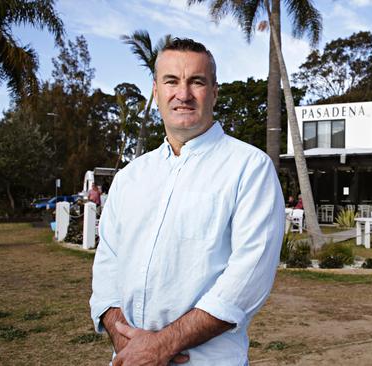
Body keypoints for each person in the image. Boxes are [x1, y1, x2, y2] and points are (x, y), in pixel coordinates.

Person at [90, 38, 285, 365]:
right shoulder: (130, 177)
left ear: (214, 91)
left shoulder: (250, 169)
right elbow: (107, 264)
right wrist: (127, 340)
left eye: (196, 81)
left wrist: (164, 344)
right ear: (156, 90)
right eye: (171, 81)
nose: (183, 94)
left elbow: (248, 277)